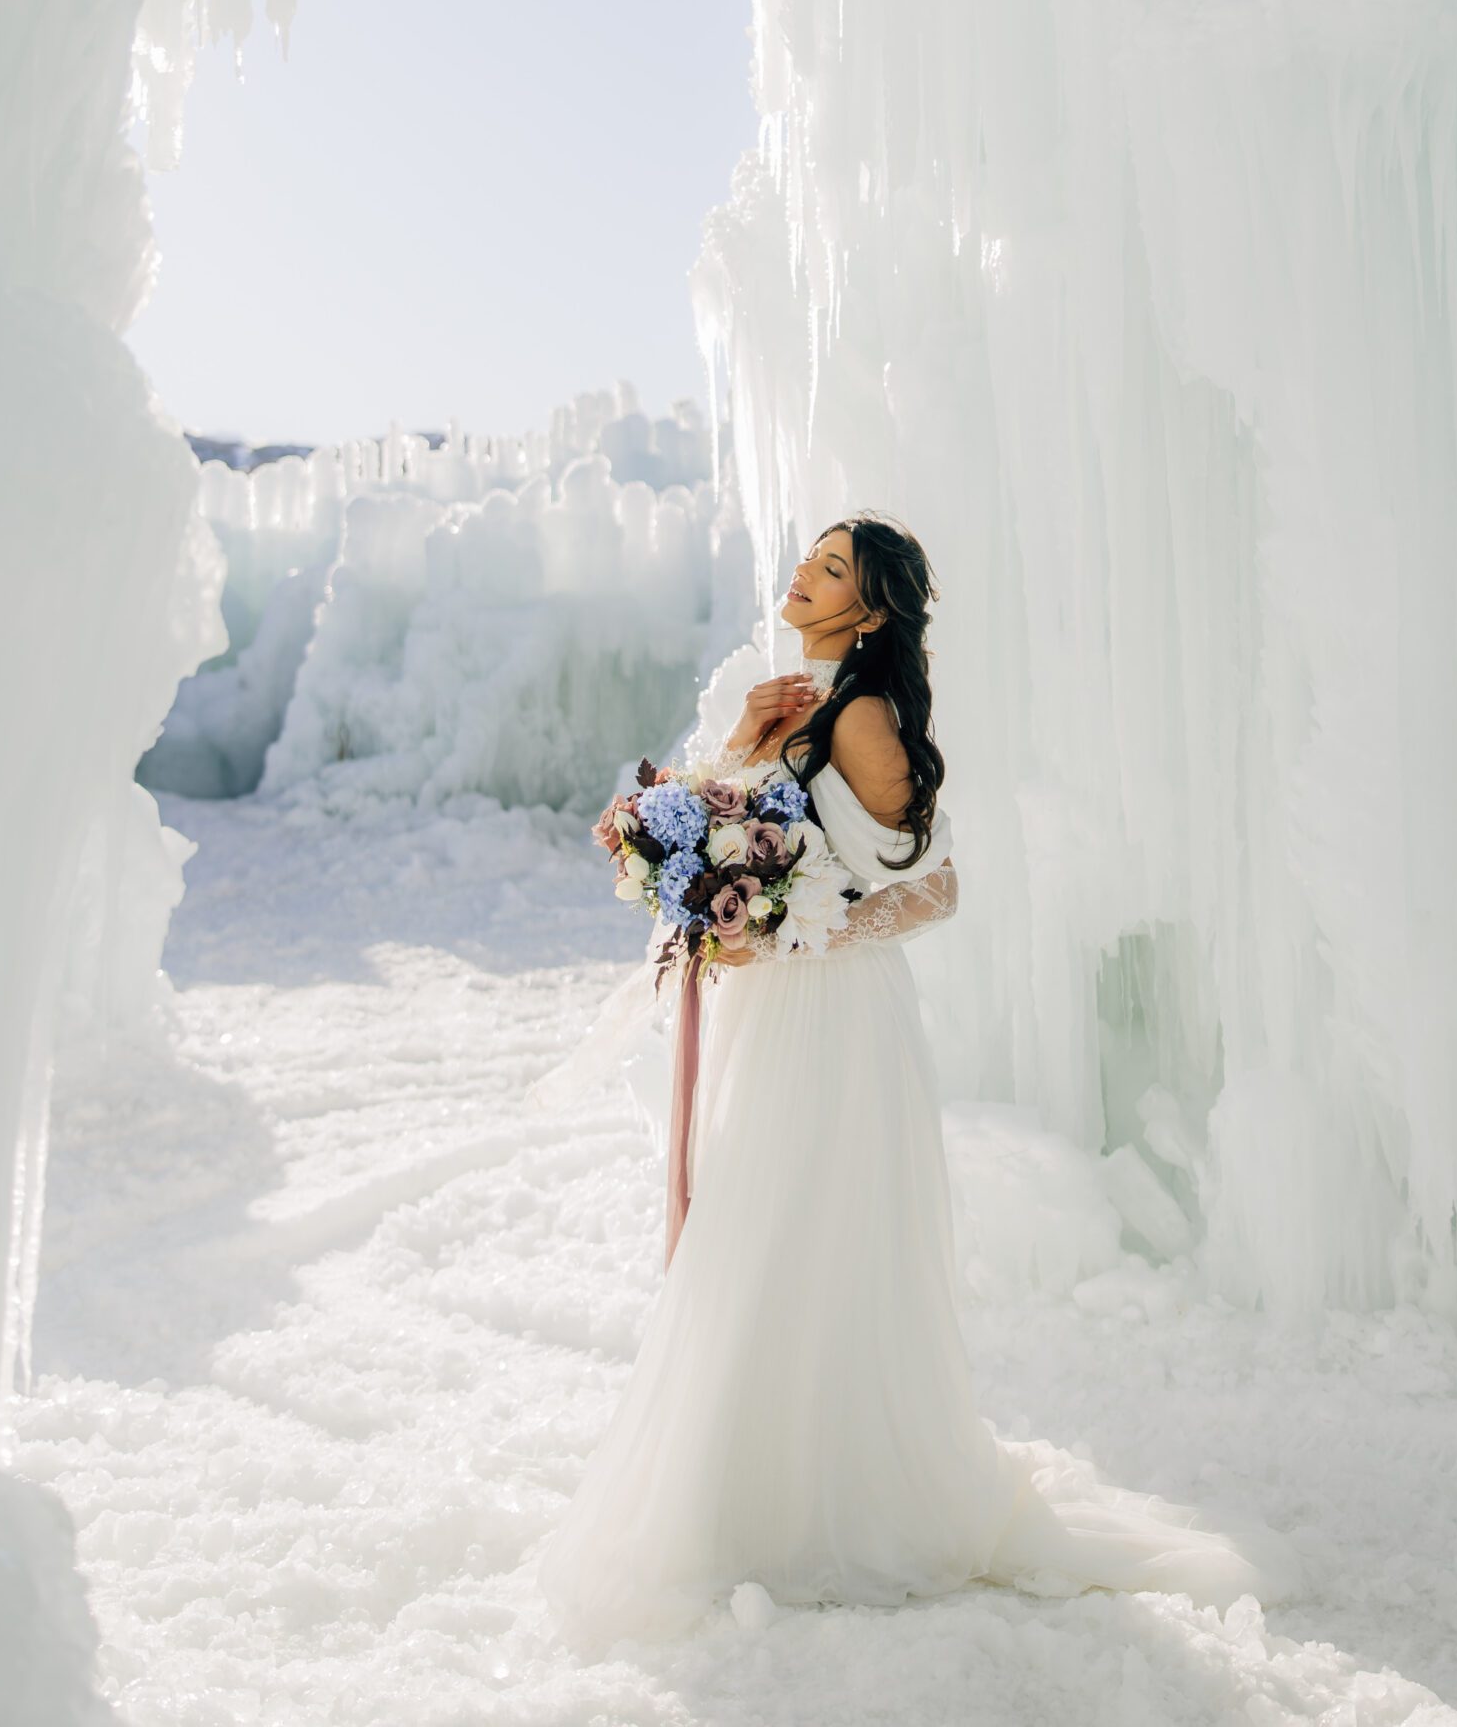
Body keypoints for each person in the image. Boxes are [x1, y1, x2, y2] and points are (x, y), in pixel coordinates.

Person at [537, 513, 1291, 1649]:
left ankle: (828, 1501)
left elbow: (929, 891)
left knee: (798, 1232)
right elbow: (764, 833)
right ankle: (750, 1486)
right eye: (812, 557)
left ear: (873, 609)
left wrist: (793, 928)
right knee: (762, 1231)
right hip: (780, 1011)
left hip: (831, 1019)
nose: (805, 573)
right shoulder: (808, 702)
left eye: (832, 568)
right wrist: (743, 755)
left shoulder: (872, 717)